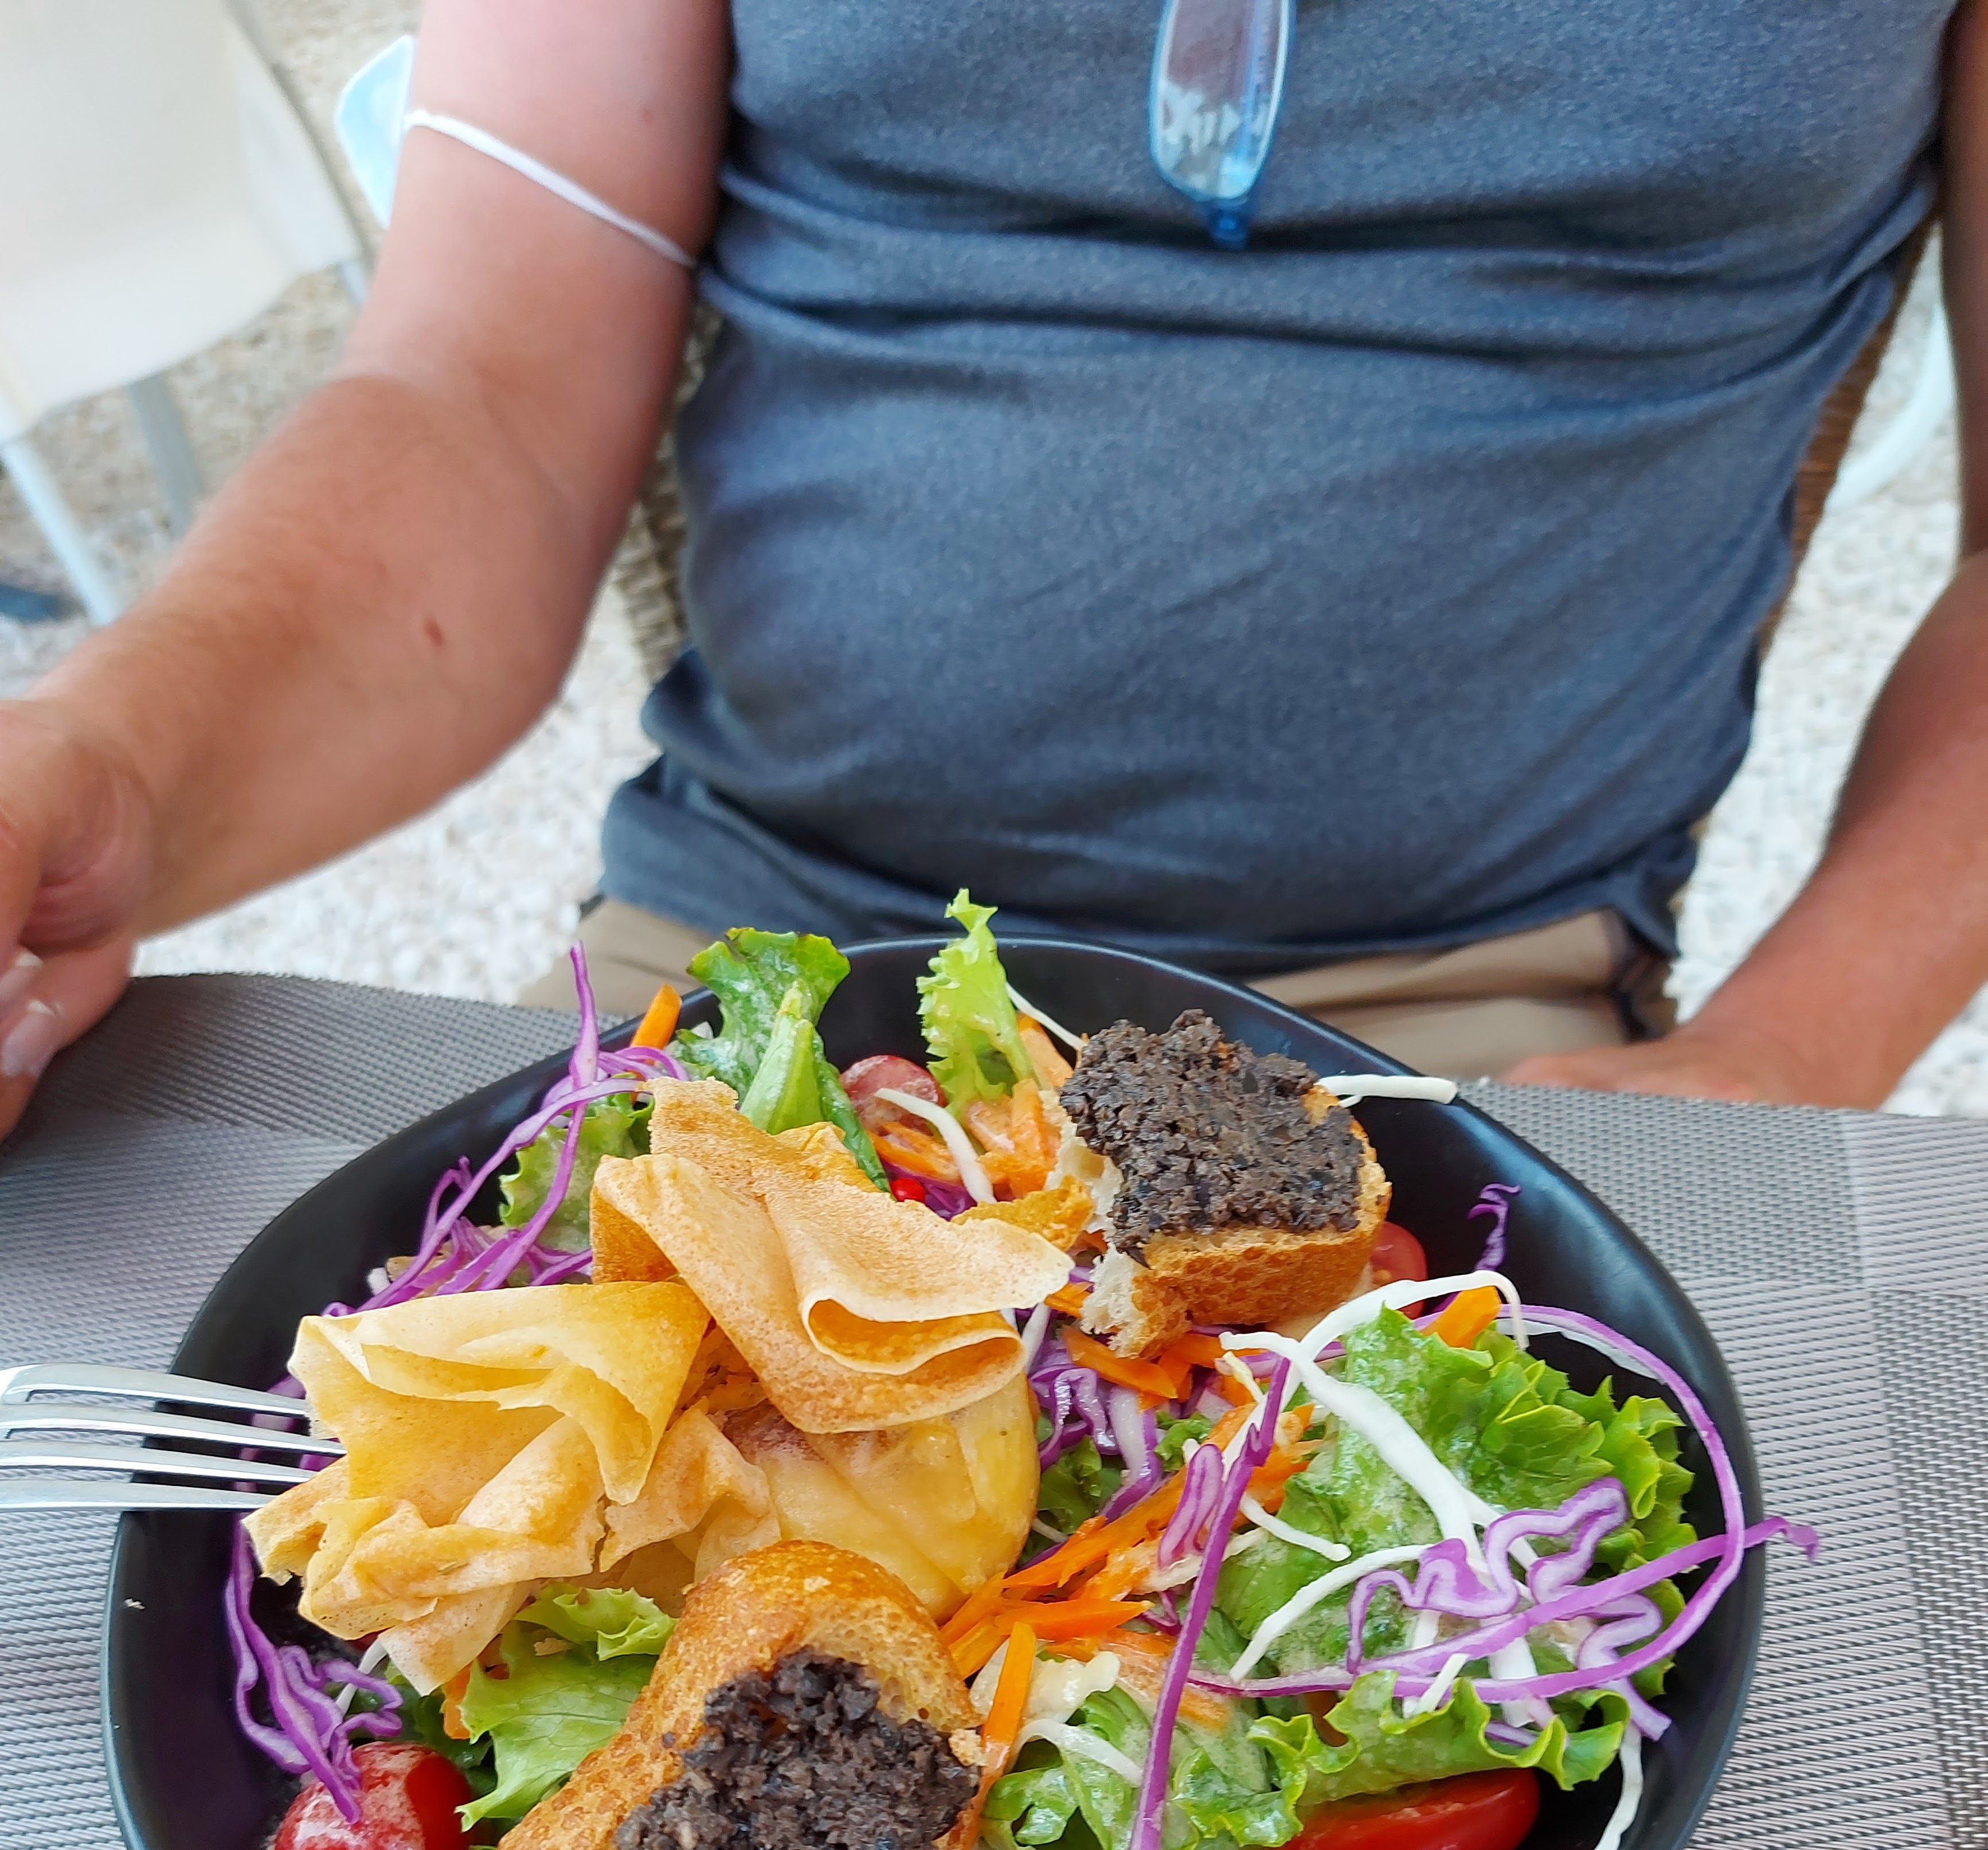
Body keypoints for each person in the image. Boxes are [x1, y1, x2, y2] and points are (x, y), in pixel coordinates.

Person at [2, 0, 1985, 1148]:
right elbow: (474, 395)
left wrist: (1783, 1055)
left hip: (1466, 1033)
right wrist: (115, 764)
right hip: (749, 971)